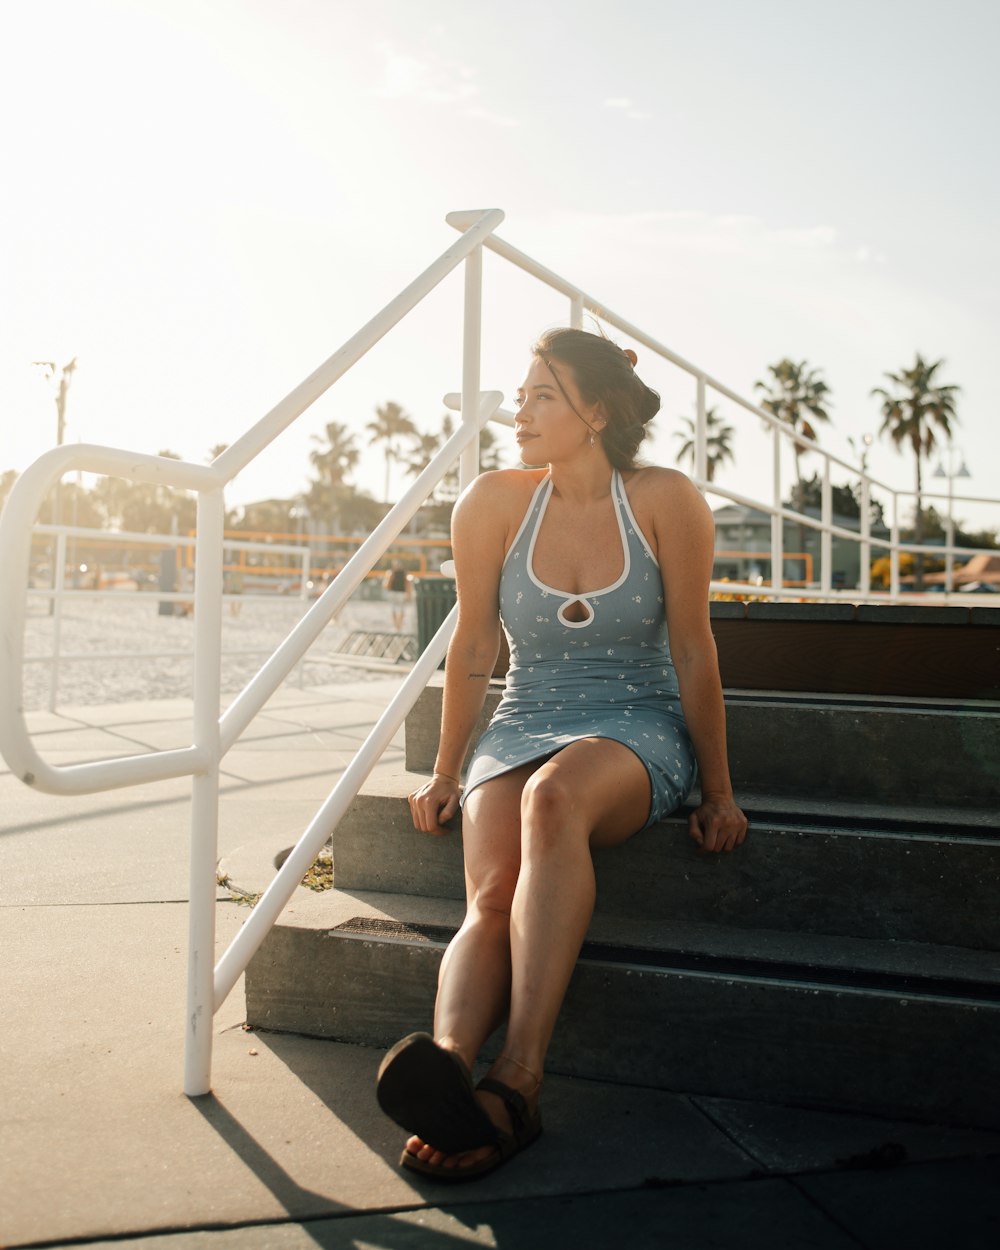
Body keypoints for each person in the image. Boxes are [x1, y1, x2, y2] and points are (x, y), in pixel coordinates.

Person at [376, 327, 748, 1181]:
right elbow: (473, 646)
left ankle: (519, 1081)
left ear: (597, 412)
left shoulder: (662, 498)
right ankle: (449, 1067)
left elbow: (693, 649)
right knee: (490, 892)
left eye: (542, 395)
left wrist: (719, 791)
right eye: (522, 393)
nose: (519, 410)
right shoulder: (494, 502)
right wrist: (444, 771)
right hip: (525, 715)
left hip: (637, 722)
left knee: (553, 800)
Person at [383, 559, 412, 631]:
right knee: (397, 610)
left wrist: (408, 593)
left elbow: (386, 585)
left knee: (397, 609)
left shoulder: (392, 572)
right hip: (397, 593)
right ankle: (398, 625)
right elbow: (408, 584)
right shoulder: (402, 573)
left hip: (397, 593)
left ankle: (398, 625)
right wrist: (409, 593)